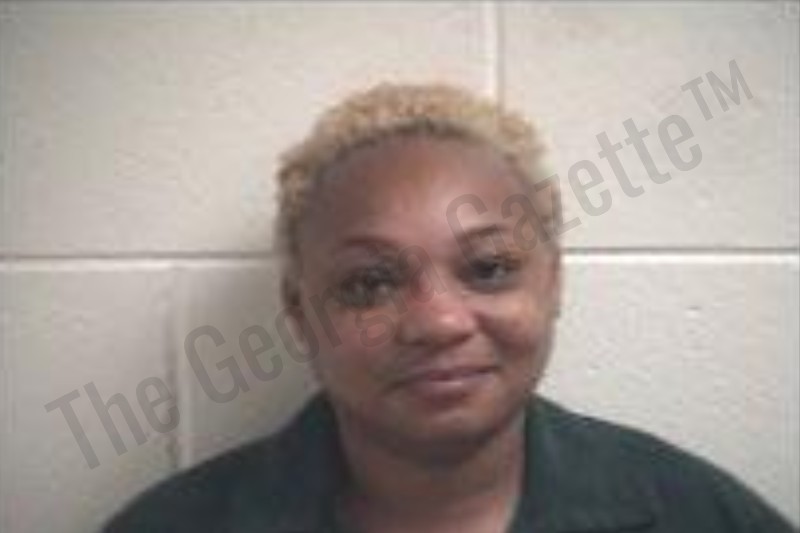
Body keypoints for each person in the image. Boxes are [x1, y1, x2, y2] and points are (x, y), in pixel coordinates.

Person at [103, 83, 796, 533]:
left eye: (488, 269)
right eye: (368, 284)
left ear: (554, 282)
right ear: (300, 314)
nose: (438, 322)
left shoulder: (700, 514)